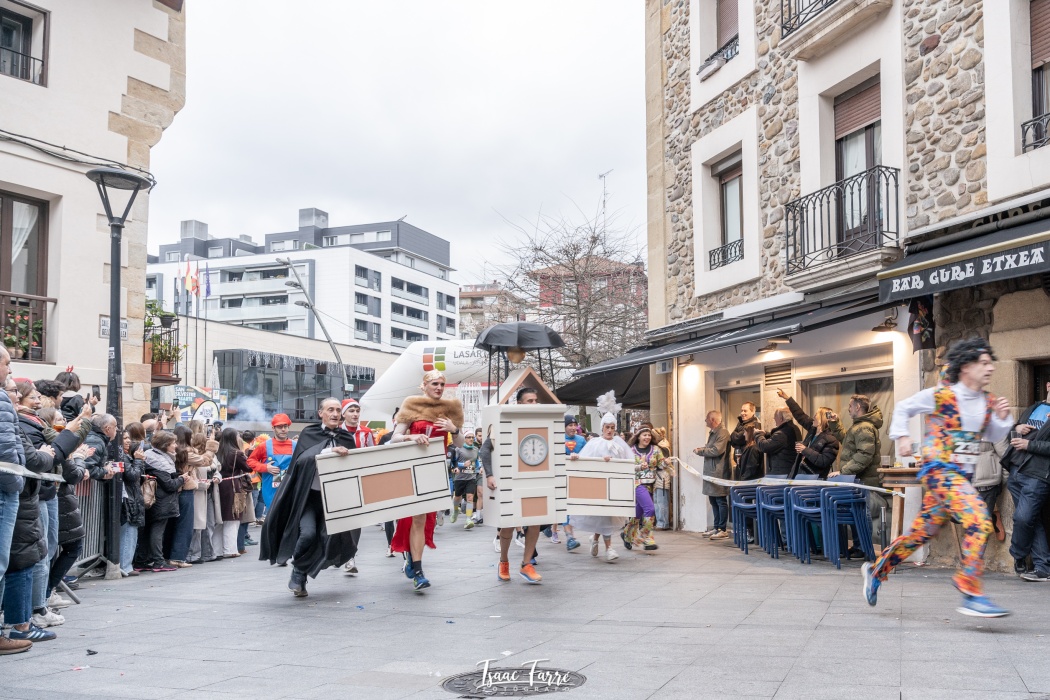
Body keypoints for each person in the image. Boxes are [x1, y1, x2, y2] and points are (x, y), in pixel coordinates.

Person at [863, 338, 1014, 618]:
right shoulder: (942, 395)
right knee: (980, 519)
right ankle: (970, 589)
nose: (990, 368)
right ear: (966, 367)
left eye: (990, 363)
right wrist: (902, 437)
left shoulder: (987, 401)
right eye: (983, 363)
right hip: (940, 471)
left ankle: (876, 571)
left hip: (960, 479)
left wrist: (1003, 418)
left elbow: (992, 434)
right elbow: (904, 408)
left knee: (920, 534)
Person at [260, 398, 360, 597]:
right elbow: (301, 460)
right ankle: (298, 572)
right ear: (320, 413)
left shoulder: (346, 438)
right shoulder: (309, 433)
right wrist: (329, 451)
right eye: (330, 410)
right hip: (307, 497)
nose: (335, 414)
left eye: (337, 410)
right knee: (307, 534)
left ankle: (301, 574)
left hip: (332, 500)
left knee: (327, 538)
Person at [389, 371, 464, 590]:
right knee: (415, 518)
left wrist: (454, 429)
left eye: (442, 384)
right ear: (424, 385)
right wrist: (411, 436)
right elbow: (394, 438)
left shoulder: (450, 408)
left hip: (435, 469)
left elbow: (460, 444)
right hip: (412, 468)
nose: (439, 388)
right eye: (434, 384)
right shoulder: (412, 405)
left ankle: (415, 563)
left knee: (423, 520)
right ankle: (417, 569)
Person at [486, 387, 544, 583]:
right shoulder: (504, 421)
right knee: (508, 525)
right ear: (519, 403)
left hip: (534, 480)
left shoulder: (542, 423)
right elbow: (485, 450)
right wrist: (490, 475)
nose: (534, 404)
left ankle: (526, 564)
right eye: (530, 401)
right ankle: (503, 561)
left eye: (536, 400)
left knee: (535, 522)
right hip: (509, 480)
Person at [569, 392, 630, 562]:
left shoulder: (619, 444)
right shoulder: (594, 443)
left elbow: (627, 461)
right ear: (602, 428)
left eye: (612, 427)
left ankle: (595, 539)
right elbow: (585, 460)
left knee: (606, 517)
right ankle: (609, 548)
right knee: (603, 516)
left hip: (614, 486)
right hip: (599, 486)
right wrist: (576, 457)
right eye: (607, 427)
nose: (610, 430)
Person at [1004, 377, 1050, 581]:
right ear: (1048, 386)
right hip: (1016, 469)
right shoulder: (1034, 407)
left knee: (1023, 518)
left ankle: (1018, 554)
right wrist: (1018, 428)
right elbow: (1011, 435)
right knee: (1032, 519)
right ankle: (1043, 567)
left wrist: (1029, 445)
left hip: (1038, 474)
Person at [829, 394, 884, 557]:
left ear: (858, 407)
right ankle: (860, 547)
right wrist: (835, 423)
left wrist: (844, 471)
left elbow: (864, 455)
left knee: (862, 514)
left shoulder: (864, 427)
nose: (848, 409)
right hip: (857, 479)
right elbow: (847, 441)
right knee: (857, 513)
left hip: (862, 480)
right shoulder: (859, 426)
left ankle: (865, 549)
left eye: (850, 406)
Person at [138, 431, 191, 572]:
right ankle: (158, 561)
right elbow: (169, 485)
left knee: (149, 531)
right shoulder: (160, 463)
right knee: (157, 531)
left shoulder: (153, 457)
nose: (176, 445)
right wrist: (182, 479)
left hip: (155, 500)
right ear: (165, 445)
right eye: (173, 443)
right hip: (161, 501)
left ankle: (142, 560)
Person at [777, 389, 843, 479]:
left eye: (816, 414)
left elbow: (824, 461)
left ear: (821, 418)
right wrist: (787, 398)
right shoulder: (813, 428)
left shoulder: (832, 438)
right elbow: (800, 415)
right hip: (800, 475)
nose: (813, 416)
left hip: (814, 479)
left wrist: (805, 450)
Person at [340, 398, 373, 575]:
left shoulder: (366, 433)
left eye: (357, 411)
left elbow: (373, 455)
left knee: (356, 520)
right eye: (351, 411)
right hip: (338, 480)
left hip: (360, 480)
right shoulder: (336, 432)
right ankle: (337, 552)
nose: (355, 414)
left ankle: (350, 557)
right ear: (343, 414)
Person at [247, 414, 296, 516]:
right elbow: (250, 461)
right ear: (273, 428)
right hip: (271, 489)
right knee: (274, 516)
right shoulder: (264, 446)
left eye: (285, 426)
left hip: (291, 486)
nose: (283, 429)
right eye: (280, 427)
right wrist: (265, 467)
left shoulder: (296, 445)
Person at [623, 427, 662, 552]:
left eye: (649, 435)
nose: (647, 437)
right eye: (644, 435)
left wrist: (666, 463)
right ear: (638, 436)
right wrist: (639, 466)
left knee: (639, 511)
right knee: (650, 509)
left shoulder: (656, 449)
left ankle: (627, 534)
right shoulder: (631, 451)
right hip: (636, 483)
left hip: (650, 484)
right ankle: (646, 537)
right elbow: (626, 467)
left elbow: (661, 464)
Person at [215, 428, 251, 558]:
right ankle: (230, 549)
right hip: (233, 486)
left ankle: (217, 550)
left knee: (220, 519)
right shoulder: (237, 453)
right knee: (233, 518)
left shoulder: (217, 451)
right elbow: (248, 468)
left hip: (219, 486)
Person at [694, 410, 730, 540]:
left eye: (706, 419)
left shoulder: (723, 433)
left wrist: (701, 451)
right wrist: (703, 449)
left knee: (720, 500)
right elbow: (711, 448)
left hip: (719, 472)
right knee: (713, 500)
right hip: (711, 472)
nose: (705, 421)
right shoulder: (713, 433)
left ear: (712, 420)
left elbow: (716, 450)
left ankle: (722, 529)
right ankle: (716, 527)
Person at [559, 415, 586, 548]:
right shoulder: (557, 439)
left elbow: (588, 455)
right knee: (565, 506)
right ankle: (569, 537)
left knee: (573, 506)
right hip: (561, 477)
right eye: (570, 425)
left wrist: (579, 457)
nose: (573, 428)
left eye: (575, 425)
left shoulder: (581, 440)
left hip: (577, 478)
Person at [755, 407, 801, 476]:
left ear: (781, 418)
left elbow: (765, 446)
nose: (774, 419)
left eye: (775, 416)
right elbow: (776, 440)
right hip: (789, 470)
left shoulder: (782, 433)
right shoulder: (793, 428)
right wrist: (765, 434)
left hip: (781, 474)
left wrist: (758, 435)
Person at [451, 429, 480, 529]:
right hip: (460, 478)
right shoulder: (458, 449)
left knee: (470, 498)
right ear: (464, 438)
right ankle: (456, 510)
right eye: (469, 437)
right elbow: (453, 463)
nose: (471, 439)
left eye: (473, 437)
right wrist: (462, 465)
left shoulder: (475, 449)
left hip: (471, 477)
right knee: (457, 497)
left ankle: (468, 519)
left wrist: (480, 468)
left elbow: (476, 461)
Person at [729, 402, 760, 467]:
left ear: (753, 412)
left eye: (745, 411)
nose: (742, 413)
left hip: (748, 462)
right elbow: (731, 438)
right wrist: (735, 437)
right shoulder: (740, 423)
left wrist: (735, 436)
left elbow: (738, 439)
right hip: (739, 462)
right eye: (741, 410)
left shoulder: (754, 424)